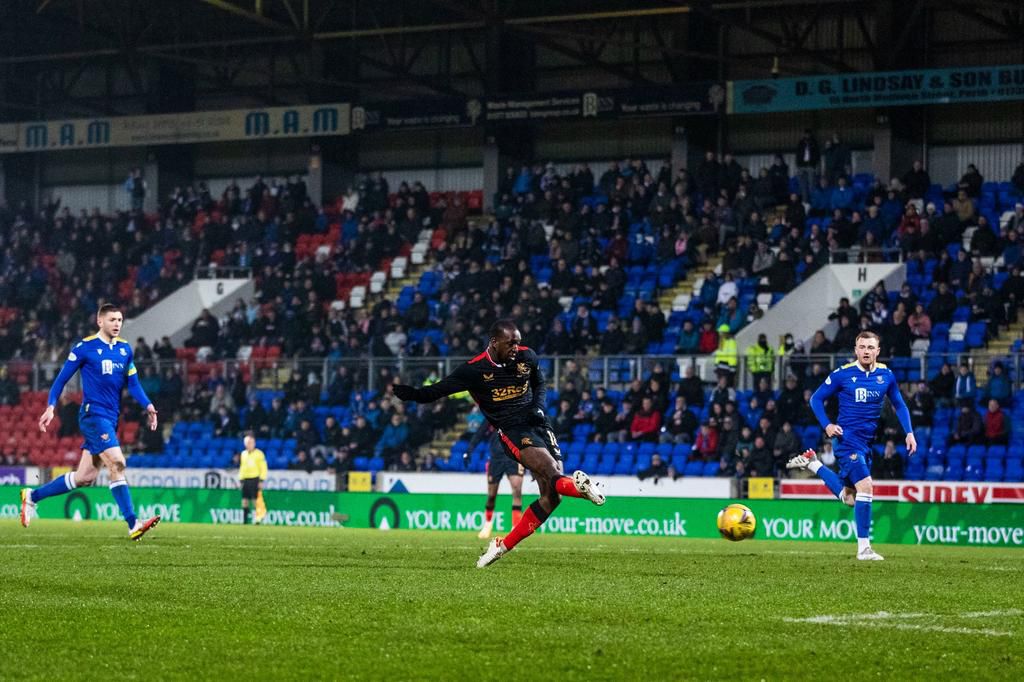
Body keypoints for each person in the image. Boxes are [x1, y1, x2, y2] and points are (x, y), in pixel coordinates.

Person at [392, 320, 604, 568]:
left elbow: (540, 383)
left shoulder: (527, 357)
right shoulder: (474, 370)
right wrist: (413, 394)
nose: (516, 347)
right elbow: (437, 391)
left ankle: (501, 546)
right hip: (513, 432)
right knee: (551, 472)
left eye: (518, 342)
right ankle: (582, 490)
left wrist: (538, 406)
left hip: (540, 424)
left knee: (551, 498)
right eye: (511, 342)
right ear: (494, 342)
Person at [21, 303, 161, 540]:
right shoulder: (85, 348)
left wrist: (148, 405)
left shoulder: (125, 350)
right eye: (112, 320)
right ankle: (132, 523)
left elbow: (134, 384)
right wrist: (51, 406)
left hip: (110, 417)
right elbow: (61, 379)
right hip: (93, 415)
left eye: (120, 320)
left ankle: (32, 496)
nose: (117, 324)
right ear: (100, 321)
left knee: (84, 477)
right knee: (117, 462)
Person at [786, 331, 916, 561]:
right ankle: (864, 549)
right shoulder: (842, 374)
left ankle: (814, 465)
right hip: (846, 442)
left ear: (878, 351)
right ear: (856, 350)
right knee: (866, 486)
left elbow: (900, 404)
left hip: (866, 443)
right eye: (862, 347)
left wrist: (909, 433)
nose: (866, 351)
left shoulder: (886, 375)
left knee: (851, 498)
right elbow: (815, 399)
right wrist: (827, 425)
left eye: (870, 347)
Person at [473, 426, 525, 540]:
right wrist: (470, 449)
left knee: (517, 490)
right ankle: (487, 524)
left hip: (514, 456)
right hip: (496, 458)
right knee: (491, 495)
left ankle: (515, 528)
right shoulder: (493, 412)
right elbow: (481, 431)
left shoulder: (518, 411)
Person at [239, 432, 268, 525]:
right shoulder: (243, 454)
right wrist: (241, 479)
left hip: (255, 479)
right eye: (247, 442)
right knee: (244, 501)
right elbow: (242, 467)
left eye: (250, 442)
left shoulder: (259, 454)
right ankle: (245, 521)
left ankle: (257, 519)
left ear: (254, 443)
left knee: (255, 501)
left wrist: (261, 480)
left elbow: (263, 468)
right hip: (245, 480)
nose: (249, 444)